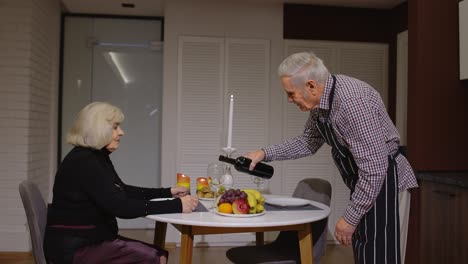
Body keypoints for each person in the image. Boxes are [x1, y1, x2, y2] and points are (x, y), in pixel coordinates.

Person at [245, 52, 418, 264]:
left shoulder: (352, 102)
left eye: (290, 93)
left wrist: (350, 218)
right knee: (366, 255)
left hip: (387, 182)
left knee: (380, 258)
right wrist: (264, 153)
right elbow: (307, 142)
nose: (289, 100)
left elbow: (375, 166)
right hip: (368, 183)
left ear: (311, 86)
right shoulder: (321, 105)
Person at [44, 102, 199, 264]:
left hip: (86, 240)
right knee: (156, 258)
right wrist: (177, 205)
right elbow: (121, 207)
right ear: (98, 129)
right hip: (75, 248)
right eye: (115, 127)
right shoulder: (85, 161)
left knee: (158, 254)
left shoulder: (95, 156)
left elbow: (122, 190)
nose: (121, 132)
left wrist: (167, 192)